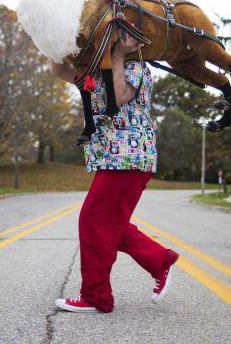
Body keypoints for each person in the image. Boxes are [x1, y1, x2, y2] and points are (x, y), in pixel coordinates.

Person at [49, 31, 179, 313]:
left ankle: (97, 297)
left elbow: (119, 97)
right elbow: (60, 71)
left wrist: (119, 54)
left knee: (92, 220)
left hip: (129, 158)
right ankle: (161, 260)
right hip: (114, 159)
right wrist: (50, 40)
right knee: (108, 224)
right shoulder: (98, 71)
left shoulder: (136, 67)